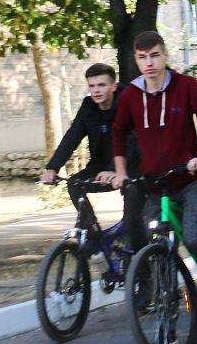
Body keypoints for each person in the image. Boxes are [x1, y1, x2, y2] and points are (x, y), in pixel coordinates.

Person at [109, 31, 197, 314]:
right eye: (142, 57)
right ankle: (166, 303)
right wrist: (120, 172)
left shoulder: (185, 86)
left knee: (194, 239)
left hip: (189, 181)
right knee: (155, 243)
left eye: (154, 55)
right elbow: (118, 133)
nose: (149, 63)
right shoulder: (131, 95)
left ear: (165, 55)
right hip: (156, 186)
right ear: (136, 60)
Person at [40, 63, 146, 250]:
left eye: (102, 85)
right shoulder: (88, 106)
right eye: (92, 86)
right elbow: (72, 137)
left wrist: (115, 171)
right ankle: (95, 235)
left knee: (132, 224)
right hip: (100, 165)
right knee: (74, 184)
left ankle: (141, 264)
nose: (96, 90)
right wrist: (52, 168)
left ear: (114, 86)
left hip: (131, 167)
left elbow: (132, 142)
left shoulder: (127, 103)